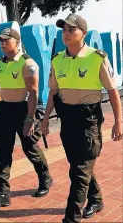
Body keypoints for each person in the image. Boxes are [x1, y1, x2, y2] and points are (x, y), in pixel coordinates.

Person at [40, 14, 122, 223]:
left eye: (71, 30)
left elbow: (113, 92)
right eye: (64, 30)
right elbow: (53, 93)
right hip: (67, 119)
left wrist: (118, 122)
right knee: (78, 165)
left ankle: (72, 217)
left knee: (80, 171)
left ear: (83, 33)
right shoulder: (57, 59)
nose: (66, 34)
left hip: (89, 120)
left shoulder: (97, 57)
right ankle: (96, 200)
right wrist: (45, 118)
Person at [0, 27, 52, 213]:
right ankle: (1, 195)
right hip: (5, 111)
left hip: (23, 110)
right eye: (1, 40)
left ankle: (45, 177)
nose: (3, 43)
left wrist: (30, 119)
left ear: (17, 42)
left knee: (30, 148)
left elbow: (33, 92)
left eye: (7, 39)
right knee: (3, 153)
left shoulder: (27, 63)